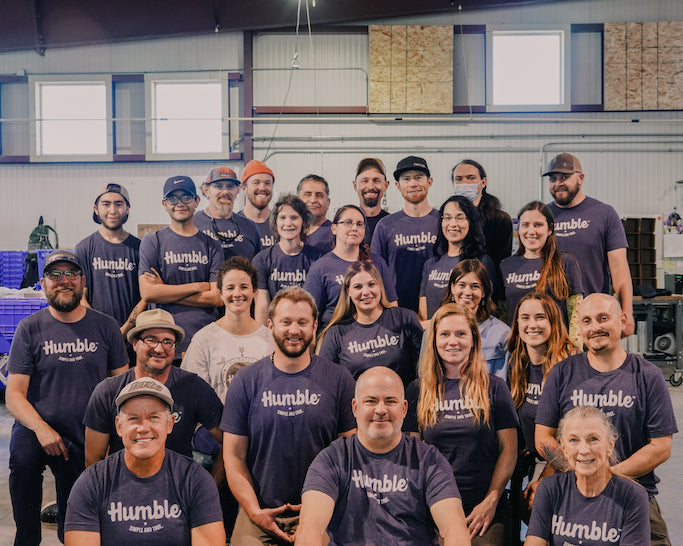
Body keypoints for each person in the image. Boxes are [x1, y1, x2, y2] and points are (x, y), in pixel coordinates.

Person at [5, 250, 128, 545]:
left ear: (83, 281)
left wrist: (112, 435)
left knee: (75, 526)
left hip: (86, 430)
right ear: (44, 283)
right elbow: (14, 394)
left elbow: (121, 386)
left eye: (71, 274)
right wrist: (41, 428)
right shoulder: (29, 328)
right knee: (22, 462)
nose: (64, 281)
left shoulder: (106, 325)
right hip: (37, 427)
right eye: (55, 275)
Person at [535, 293, 677, 545]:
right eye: (587, 321)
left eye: (603, 318)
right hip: (573, 494)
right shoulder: (562, 373)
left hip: (634, 495)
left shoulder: (647, 376)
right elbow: (543, 437)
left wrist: (607, 475)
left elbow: (661, 446)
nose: (595, 327)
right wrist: (580, 471)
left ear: (622, 321)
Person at [221, 287, 357, 545]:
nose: (294, 330)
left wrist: (321, 510)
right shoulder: (246, 381)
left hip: (324, 510)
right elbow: (233, 457)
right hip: (260, 511)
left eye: (302, 322)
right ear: (270, 325)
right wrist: (254, 511)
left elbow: (350, 455)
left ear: (315, 326)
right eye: (286, 322)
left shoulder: (339, 378)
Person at [296, 367, 469, 546]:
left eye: (390, 401)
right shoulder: (331, 460)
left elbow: (454, 527)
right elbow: (310, 527)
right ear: (355, 408)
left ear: (404, 409)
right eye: (371, 401)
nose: (380, 410)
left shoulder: (429, 460)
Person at [405, 303, 518, 545]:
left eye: (460, 334)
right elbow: (412, 456)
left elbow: (509, 449)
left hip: (483, 503)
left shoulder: (495, 388)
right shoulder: (417, 390)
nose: (452, 341)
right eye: (444, 334)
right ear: (434, 340)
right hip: (434, 501)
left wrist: (492, 499)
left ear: (473, 339)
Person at [65, 378, 225, 545]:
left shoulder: (194, 479)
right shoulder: (92, 482)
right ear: (119, 426)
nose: (143, 428)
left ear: (170, 424)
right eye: (133, 418)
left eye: (154, 417)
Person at [83, 308, 223, 471]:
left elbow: (230, 443)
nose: (159, 348)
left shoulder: (194, 387)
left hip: (179, 490)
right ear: (134, 343)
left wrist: (211, 486)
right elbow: (93, 459)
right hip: (124, 489)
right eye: (151, 340)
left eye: (167, 342)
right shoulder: (108, 391)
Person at [525, 406, 650, 545]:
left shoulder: (633, 496)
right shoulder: (549, 488)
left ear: (610, 445)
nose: (584, 450)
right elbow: (534, 541)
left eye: (593, 439)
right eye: (573, 440)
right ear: (564, 449)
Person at [506, 292, 577, 538]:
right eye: (524, 318)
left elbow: (573, 437)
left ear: (553, 322)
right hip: (531, 460)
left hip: (566, 461)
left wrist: (547, 476)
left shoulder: (570, 366)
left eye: (540, 317)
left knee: (540, 507)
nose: (532, 324)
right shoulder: (516, 363)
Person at [544, 153, 634, 335]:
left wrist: (627, 313)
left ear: (581, 178)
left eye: (565, 177)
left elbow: (620, 270)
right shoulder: (542, 216)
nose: (558, 183)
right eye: (553, 179)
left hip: (593, 315)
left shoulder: (604, 214)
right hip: (550, 315)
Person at [138, 175, 224, 361]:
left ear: (197, 201)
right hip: (163, 341)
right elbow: (148, 293)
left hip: (204, 339)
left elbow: (217, 297)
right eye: (172, 198)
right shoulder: (153, 242)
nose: (180, 203)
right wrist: (197, 286)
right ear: (164, 203)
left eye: (186, 197)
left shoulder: (212, 246)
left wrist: (166, 291)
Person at [182, 257, 276, 402]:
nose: (237, 294)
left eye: (244, 287)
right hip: (217, 424)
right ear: (220, 293)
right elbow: (193, 396)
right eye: (230, 288)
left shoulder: (270, 339)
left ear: (254, 292)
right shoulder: (203, 340)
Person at [317, 260, 422, 386]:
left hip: (402, 401)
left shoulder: (405, 319)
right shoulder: (336, 333)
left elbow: (425, 367)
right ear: (348, 291)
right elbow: (325, 381)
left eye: (371, 284)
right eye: (358, 287)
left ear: (380, 286)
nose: (366, 292)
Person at [500, 201, 583, 342]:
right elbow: (502, 312)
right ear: (518, 229)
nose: (531, 231)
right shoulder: (506, 265)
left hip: (556, 348)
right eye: (525, 225)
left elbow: (576, 311)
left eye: (538, 225)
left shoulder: (565, 262)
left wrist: (576, 349)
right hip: (518, 350)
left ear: (550, 229)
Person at [304, 204, 397, 329]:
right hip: (336, 338)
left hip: (376, 335)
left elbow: (391, 305)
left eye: (359, 224)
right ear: (334, 228)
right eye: (348, 223)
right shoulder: (320, 268)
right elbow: (309, 315)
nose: (354, 228)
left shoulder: (377, 262)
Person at [75, 183, 146, 338]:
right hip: (95, 334)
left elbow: (145, 297)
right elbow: (81, 297)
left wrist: (126, 329)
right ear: (96, 209)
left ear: (127, 209)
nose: (112, 211)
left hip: (132, 335)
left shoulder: (140, 248)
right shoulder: (84, 248)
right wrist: (101, 328)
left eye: (119, 204)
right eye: (106, 204)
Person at [372, 155, 440, 312]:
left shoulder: (443, 221)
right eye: (406, 179)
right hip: (397, 311)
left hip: (437, 311)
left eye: (418, 177)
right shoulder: (385, 225)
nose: (413, 184)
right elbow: (376, 272)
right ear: (397, 185)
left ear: (429, 182)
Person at [419, 195, 497, 321]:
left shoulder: (481, 262)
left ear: (471, 222)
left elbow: (485, 308)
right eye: (447, 217)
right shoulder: (431, 263)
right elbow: (423, 312)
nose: (453, 224)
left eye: (460, 217)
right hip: (434, 334)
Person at [252, 194, 324, 325]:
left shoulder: (318, 258)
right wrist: (264, 340)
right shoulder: (261, 260)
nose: (288, 223)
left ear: (303, 222)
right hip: (275, 332)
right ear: (275, 222)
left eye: (294, 217)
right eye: (283, 218)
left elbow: (317, 307)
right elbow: (262, 307)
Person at [451, 159, 512, 303]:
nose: (464, 183)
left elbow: (501, 264)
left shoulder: (500, 220)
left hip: (488, 295)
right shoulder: (448, 220)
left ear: (483, 182)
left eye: (470, 178)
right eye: (459, 179)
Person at [440, 259, 510, 379]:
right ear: (452, 288)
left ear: (483, 292)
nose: (467, 292)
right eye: (461, 285)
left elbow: (505, 384)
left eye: (475, 286)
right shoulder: (436, 329)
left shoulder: (503, 334)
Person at [194, 166, 262, 259]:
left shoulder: (249, 227)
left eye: (230, 186)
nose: (225, 191)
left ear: (237, 190)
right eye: (218, 186)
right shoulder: (193, 224)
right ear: (206, 190)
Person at [237, 159, 276, 248]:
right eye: (256, 182)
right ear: (244, 188)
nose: (262, 187)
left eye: (267, 183)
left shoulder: (282, 225)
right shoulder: (235, 225)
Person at [353, 157, 390, 244]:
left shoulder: (393, 224)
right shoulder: (346, 226)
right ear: (355, 185)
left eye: (376, 181)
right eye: (364, 181)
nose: (370, 187)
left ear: (386, 185)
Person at [298, 174, 333, 253]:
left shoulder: (335, 234)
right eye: (307, 194)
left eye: (319, 195)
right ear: (297, 200)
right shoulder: (289, 231)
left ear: (328, 202)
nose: (313, 200)